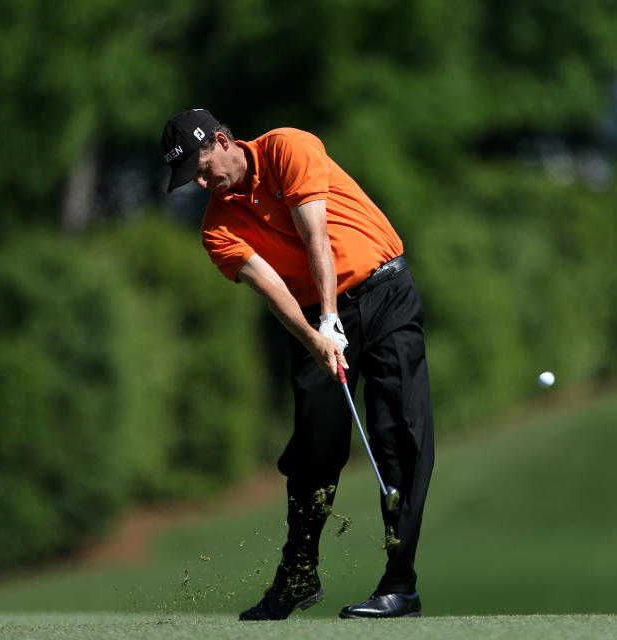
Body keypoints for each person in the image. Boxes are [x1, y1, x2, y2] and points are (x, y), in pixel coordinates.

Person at [160, 109, 435, 620]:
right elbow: (272, 288)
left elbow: (317, 239)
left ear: (223, 141)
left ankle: (401, 583)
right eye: (190, 179)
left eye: (202, 169)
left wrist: (331, 319)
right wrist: (316, 336)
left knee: (400, 436)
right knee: (313, 452)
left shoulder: (288, 147)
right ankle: (296, 578)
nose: (201, 183)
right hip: (312, 321)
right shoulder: (218, 227)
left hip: (384, 293)